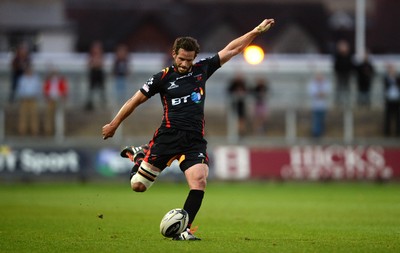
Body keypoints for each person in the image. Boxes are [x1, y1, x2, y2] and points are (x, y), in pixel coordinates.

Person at [102, 18, 275, 240]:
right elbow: (134, 100)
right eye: (182, 59)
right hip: (168, 137)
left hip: (194, 139)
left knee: (199, 180)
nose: (185, 64)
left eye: (189, 60)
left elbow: (233, 49)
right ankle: (138, 156)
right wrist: (114, 124)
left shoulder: (202, 70)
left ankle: (184, 230)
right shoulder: (162, 78)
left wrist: (256, 31)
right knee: (138, 186)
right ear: (174, 54)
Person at [16, 65, 41, 136]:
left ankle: (34, 131)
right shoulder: (22, 79)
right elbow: (19, 89)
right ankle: (22, 131)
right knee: (23, 115)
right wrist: (22, 96)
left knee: (34, 115)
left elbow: (38, 88)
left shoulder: (35, 78)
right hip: (24, 99)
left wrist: (35, 95)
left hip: (33, 99)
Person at [43, 66, 68, 136]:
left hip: (58, 100)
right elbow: (45, 89)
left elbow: (64, 90)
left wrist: (63, 97)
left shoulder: (61, 81)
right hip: (51, 100)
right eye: (53, 73)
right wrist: (47, 97)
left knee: (59, 116)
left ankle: (59, 132)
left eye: (55, 73)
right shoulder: (48, 81)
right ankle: (48, 131)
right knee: (49, 116)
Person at [308, 72, 331, 138]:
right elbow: (313, 93)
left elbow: (326, 93)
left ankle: (322, 133)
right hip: (315, 106)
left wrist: (320, 94)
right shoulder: (313, 84)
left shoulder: (326, 83)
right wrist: (320, 94)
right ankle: (316, 134)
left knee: (322, 120)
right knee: (316, 120)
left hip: (323, 106)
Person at [333, 40, 353, 107]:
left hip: (347, 75)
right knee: (339, 88)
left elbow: (351, 65)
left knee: (347, 88)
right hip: (339, 74)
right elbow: (336, 65)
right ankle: (338, 102)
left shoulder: (349, 56)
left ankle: (347, 102)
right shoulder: (337, 56)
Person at [85, 41, 105, 111]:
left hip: (99, 73)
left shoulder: (101, 56)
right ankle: (90, 104)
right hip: (93, 73)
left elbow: (100, 64)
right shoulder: (91, 56)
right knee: (91, 89)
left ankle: (103, 103)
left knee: (101, 89)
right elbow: (90, 64)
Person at [383, 63, 400, 137]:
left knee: (397, 117)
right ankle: (387, 133)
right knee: (388, 117)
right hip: (389, 100)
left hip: (396, 100)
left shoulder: (397, 78)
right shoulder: (386, 78)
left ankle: (397, 132)